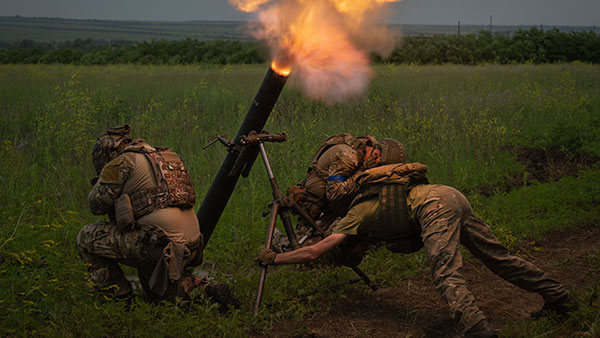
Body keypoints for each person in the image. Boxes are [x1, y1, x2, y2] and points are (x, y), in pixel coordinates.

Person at [258, 159, 578, 337]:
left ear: (352, 242)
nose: (361, 255)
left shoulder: (353, 218)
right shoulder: (366, 210)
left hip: (434, 207)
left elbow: (316, 251)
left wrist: (276, 258)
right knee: (499, 259)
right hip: (450, 195)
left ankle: (477, 329)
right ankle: (561, 298)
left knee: (445, 273)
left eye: (355, 254)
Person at [77, 125, 238, 309]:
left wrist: (101, 179)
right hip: (191, 244)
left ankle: (118, 299)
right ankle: (207, 291)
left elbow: (96, 205)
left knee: (86, 237)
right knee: (157, 294)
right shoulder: (163, 156)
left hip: (160, 245)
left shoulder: (120, 162)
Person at [281, 134, 406, 249]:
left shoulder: (366, 152)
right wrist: (363, 172)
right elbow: (334, 193)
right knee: (298, 249)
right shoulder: (347, 157)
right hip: (316, 205)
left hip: (335, 205)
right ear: (376, 156)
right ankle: (278, 240)